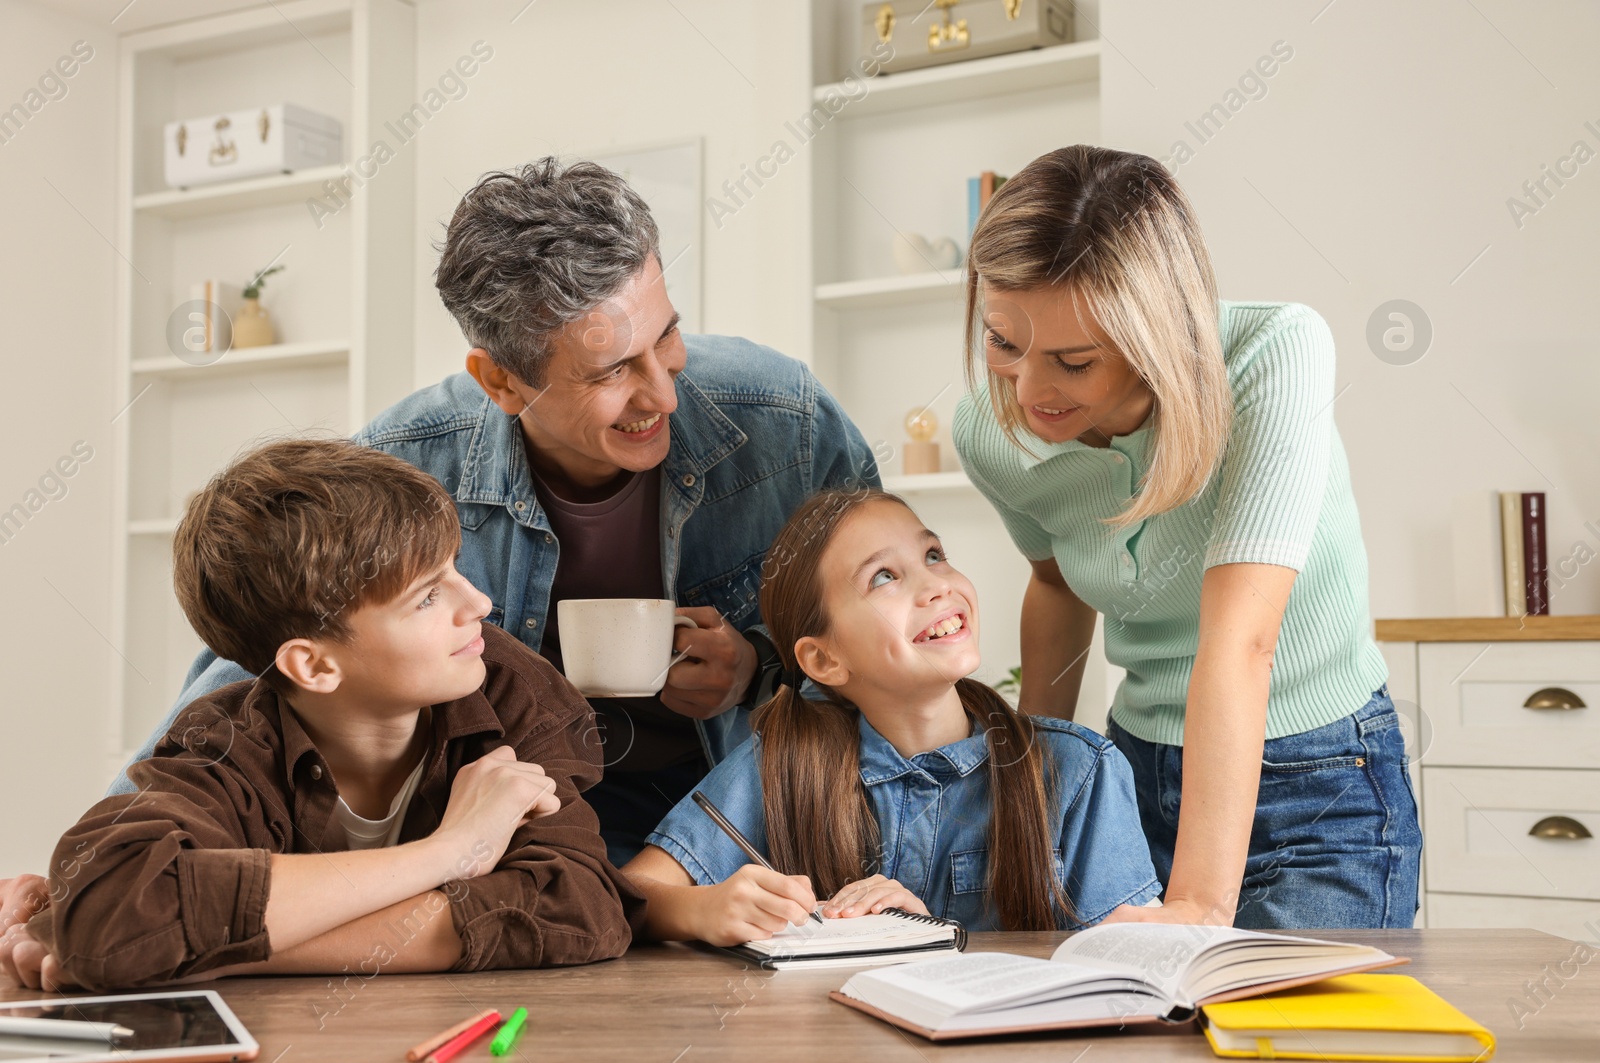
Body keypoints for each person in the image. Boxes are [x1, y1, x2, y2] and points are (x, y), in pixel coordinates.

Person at [108, 158, 881, 869]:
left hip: (745, 816)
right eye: (614, 371)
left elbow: (891, 633)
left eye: (668, 335)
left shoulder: (786, 420)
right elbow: (243, 666)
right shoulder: (401, 464)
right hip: (516, 831)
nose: (666, 394)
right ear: (501, 382)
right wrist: (103, 855)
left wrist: (752, 666)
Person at [953, 145, 1422, 929]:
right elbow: (1059, 583)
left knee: (1285, 1044)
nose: (1031, 392)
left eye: (1073, 361)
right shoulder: (990, 433)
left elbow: (1242, 641)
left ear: (1154, 334)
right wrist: (1029, 789)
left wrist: (1199, 906)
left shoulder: (1276, 355)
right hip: (1131, 772)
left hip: (1318, 777)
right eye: (1004, 344)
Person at [0, 439, 641, 992]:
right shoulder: (222, 741)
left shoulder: (514, 698)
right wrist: (449, 852)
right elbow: (112, 910)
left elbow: (578, 908)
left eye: (456, 569)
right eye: (426, 597)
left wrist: (220, 952)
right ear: (313, 667)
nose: (479, 601)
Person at [621, 488, 1161, 943]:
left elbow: (1125, 966)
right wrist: (705, 909)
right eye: (883, 577)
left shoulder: (1079, 770)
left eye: (933, 555)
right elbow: (633, 891)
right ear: (823, 659)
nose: (937, 585)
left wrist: (931, 937)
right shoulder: (781, 765)